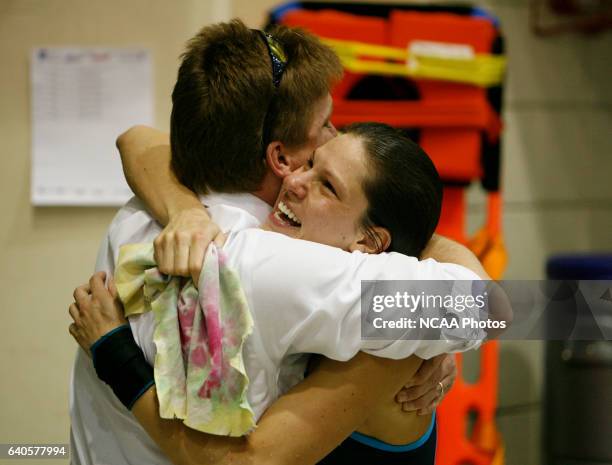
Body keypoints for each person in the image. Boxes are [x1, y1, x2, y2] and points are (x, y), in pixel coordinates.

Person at [69, 20, 493, 465]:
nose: (334, 135)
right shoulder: (274, 262)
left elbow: (138, 140)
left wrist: (430, 341)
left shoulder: (135, 214)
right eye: (325, 125)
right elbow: (483, 308)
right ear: (281, 158)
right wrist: (422, 339)